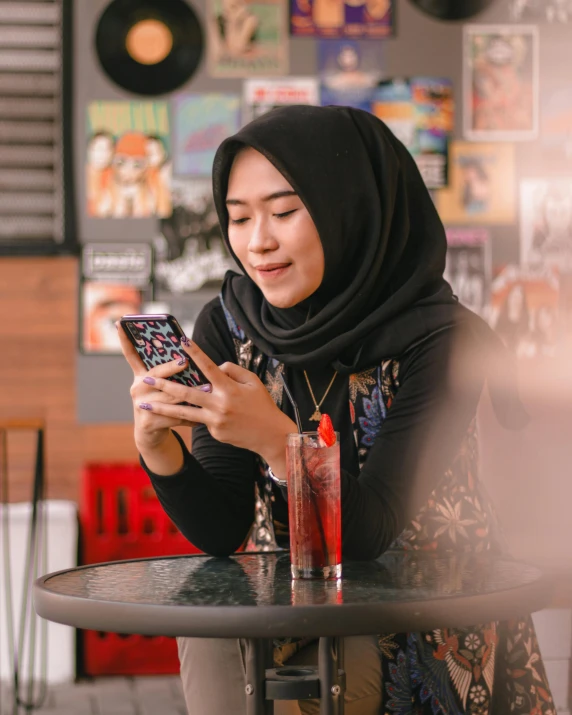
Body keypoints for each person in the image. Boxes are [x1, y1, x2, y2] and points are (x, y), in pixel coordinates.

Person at [117, 106, 554, 715]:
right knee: (208, 630)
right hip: (290, 609)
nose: (257, 241)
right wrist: (158, 447)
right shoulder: (231, 324)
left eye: (286, 211)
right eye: (239, 218)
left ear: (353, 210)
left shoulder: (442, 340)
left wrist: (278, 443)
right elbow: (220, 528)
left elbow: (374, 531)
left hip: (419, 618)